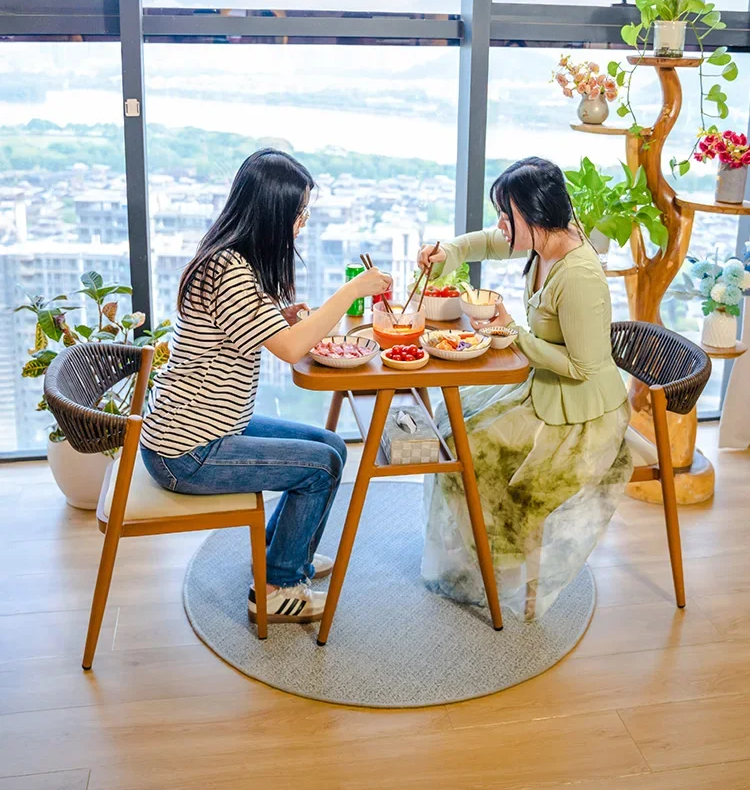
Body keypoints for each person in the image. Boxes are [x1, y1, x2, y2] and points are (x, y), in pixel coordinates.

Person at [140, 148, 391, 625]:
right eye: (299, 213)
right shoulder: (228, 270)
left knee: (332, 446)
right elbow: (293, 350)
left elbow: (265, 332)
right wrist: (352, 290)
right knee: (319, 467)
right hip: (188, 452)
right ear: (272, 212)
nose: (302, 222)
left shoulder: (229, 258)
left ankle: (280, 557)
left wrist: (286, 317)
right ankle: (276, 586)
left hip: (210, 426)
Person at [416, 156, 633, 620]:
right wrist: (447, 252)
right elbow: (491, 243)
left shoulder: (579, 276)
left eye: (506, 213)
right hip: (544, 388)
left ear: (534, 218)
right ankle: (480, 561)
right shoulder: (546, 240)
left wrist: (515, 332)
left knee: (468, 446)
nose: (500, 224)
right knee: (448, 422)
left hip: (580, 415)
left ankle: (498, 569)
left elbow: (583, 367)